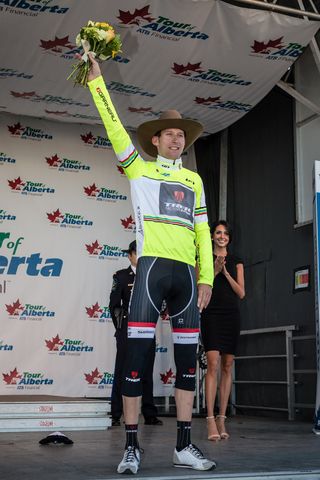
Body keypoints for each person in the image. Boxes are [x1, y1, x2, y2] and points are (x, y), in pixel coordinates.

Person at [86, 53, 215, 475]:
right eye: (169, 135)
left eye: (181, 135)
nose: (176, 140)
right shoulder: (139, 170)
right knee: (136, 363)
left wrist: (208, 278)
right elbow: (112, 127)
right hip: (150, 274)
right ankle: (130, 447)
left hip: (186, 278)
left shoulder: (193, 181)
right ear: (155, 141)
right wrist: (96, 82)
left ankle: (183, 446)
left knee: (185, 368)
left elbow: (202, 233)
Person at [109, 240, 163, 427]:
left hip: (147, 329)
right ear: (130, 255)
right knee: (122, 370)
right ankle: (116, 413)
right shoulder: (121, 276)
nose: (141, 256)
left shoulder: (152, 276)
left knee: (147, 371)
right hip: (127, 329)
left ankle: (149, 414)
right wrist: (121, 329)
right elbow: (114, 305)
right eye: (137, 252)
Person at [200, 220, 245, 441]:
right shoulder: (203, 258)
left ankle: (221, 418)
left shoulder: (237, 261)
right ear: (212, 236)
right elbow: (200, 284)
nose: (222, 236)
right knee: (213, 364)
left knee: (227, 366)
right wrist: (215, 271)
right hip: (211, 314)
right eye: (218, 232)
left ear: (229, 237)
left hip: (231, 316)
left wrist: (226, 273)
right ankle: (209, 419)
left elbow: (241, 293)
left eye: (225, 233)